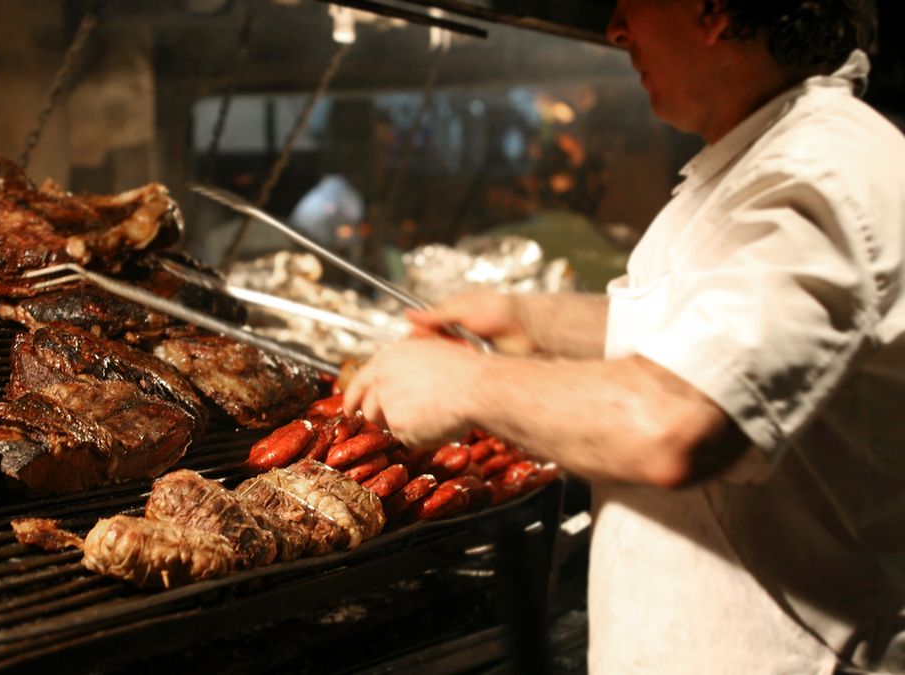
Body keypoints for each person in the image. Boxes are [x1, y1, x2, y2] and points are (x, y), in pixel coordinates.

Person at [342, 1, 904, 673]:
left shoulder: (817, 173)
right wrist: (532, 319)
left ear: (714, 10)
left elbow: (678, 421)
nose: (614, 28)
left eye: (630, 1)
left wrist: (467, 382)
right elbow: (706, 333)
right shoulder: (760, 159)